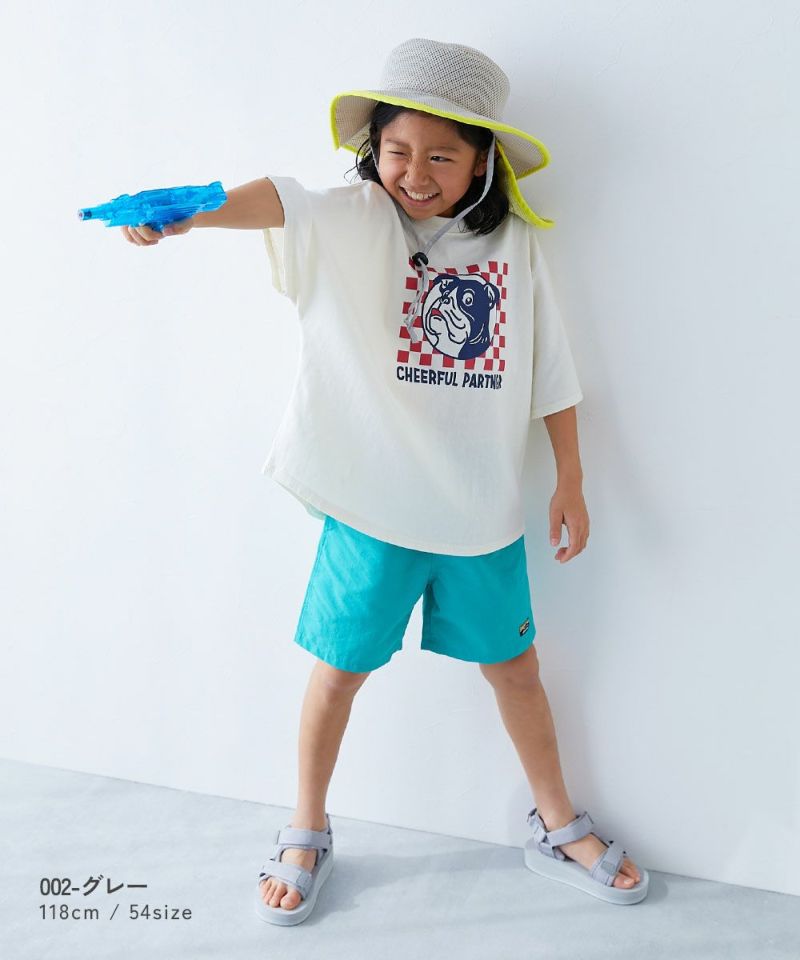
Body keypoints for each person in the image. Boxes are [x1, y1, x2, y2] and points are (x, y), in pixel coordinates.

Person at [123, 37, 648, 922]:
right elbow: (281, 200)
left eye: (442, 155)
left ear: (481, 162)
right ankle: (305, 827)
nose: (415, 172)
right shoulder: (356, 217)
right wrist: (192, 213)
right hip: (371, 509)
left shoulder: (513, 245)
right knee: (336, 673)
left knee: (517, 671)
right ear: (374, 151)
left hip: (480, 513)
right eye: (397, 149)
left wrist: (571, 479)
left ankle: (557, 823)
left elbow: (550, 371)